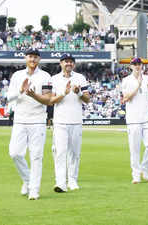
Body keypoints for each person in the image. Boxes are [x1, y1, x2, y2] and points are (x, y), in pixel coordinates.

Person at [7, 48, 52, 200]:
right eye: (30, 57)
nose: (32, 60)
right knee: (15, 153)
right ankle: (27, 180)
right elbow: (8, 98)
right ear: (25, 58)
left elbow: (48, 100)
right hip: (20, 120)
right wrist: (20, 90)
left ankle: (34, 190)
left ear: (39, 60)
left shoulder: (45, 76)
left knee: (36, 156)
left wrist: (34, 95)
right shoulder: (17, 75)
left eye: (35, 57)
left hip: (38, 120)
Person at [49, 53, 90, 192]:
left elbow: (87, 99)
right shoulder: (54, 79)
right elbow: (51, 100)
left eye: (71, 62)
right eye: (66, 61)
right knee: (60, 152)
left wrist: (78, 92)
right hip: (60, 121)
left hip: (76, 121)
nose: (69, 64)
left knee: (74, 153)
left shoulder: (80, 78)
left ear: (74, 64)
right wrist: (64, 94)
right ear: (61, 63)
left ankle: (72, 180)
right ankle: (60, 182)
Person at [121, 57, 148, 184]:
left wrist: (147, 86)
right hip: (133, 119)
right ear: (131, 66)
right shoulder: (126, 80)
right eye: (135, 64)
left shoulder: (147, 79)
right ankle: (136, 174)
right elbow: (126, 98)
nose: (137, 66)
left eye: (139, 64)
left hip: (147, 117)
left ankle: (144, 168)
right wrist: (138, 85)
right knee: (134, 149)